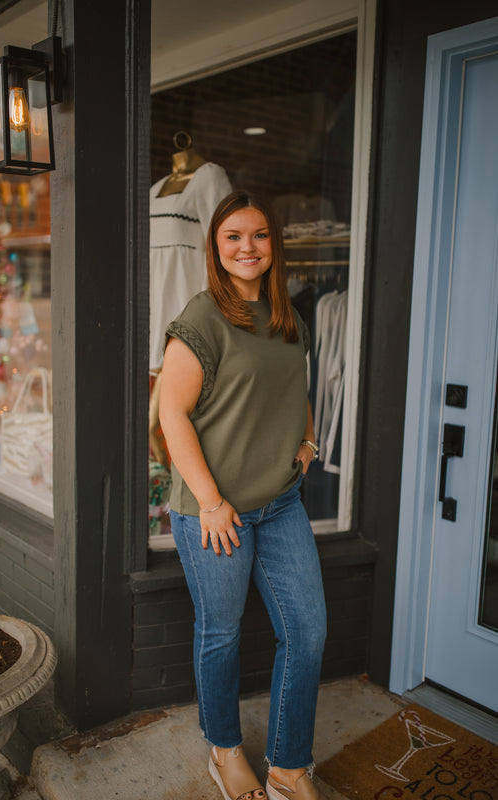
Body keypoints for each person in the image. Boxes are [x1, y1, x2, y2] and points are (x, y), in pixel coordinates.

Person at [159, 190, 327, 800]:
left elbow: (296, 389)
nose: (247, 247)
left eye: (258, 235)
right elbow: (170, 414)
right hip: (214, 514)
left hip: (280, 503)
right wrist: (209, 500)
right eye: (233, 236)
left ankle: (288, 765)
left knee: (307, 632)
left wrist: (308, 440)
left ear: (274, 244)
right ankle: (224, 751)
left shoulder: (288, 317)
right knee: (221, 633)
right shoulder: (203, 317)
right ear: (216, 246)